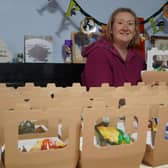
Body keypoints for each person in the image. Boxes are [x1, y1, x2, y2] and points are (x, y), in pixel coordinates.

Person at [81, 7, 146, 89]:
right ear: (111, 29)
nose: (125, 28)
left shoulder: (138, 58)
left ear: (135, 31)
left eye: (130, 24)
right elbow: (101, 95)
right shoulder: (98, 53)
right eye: (120, 23)